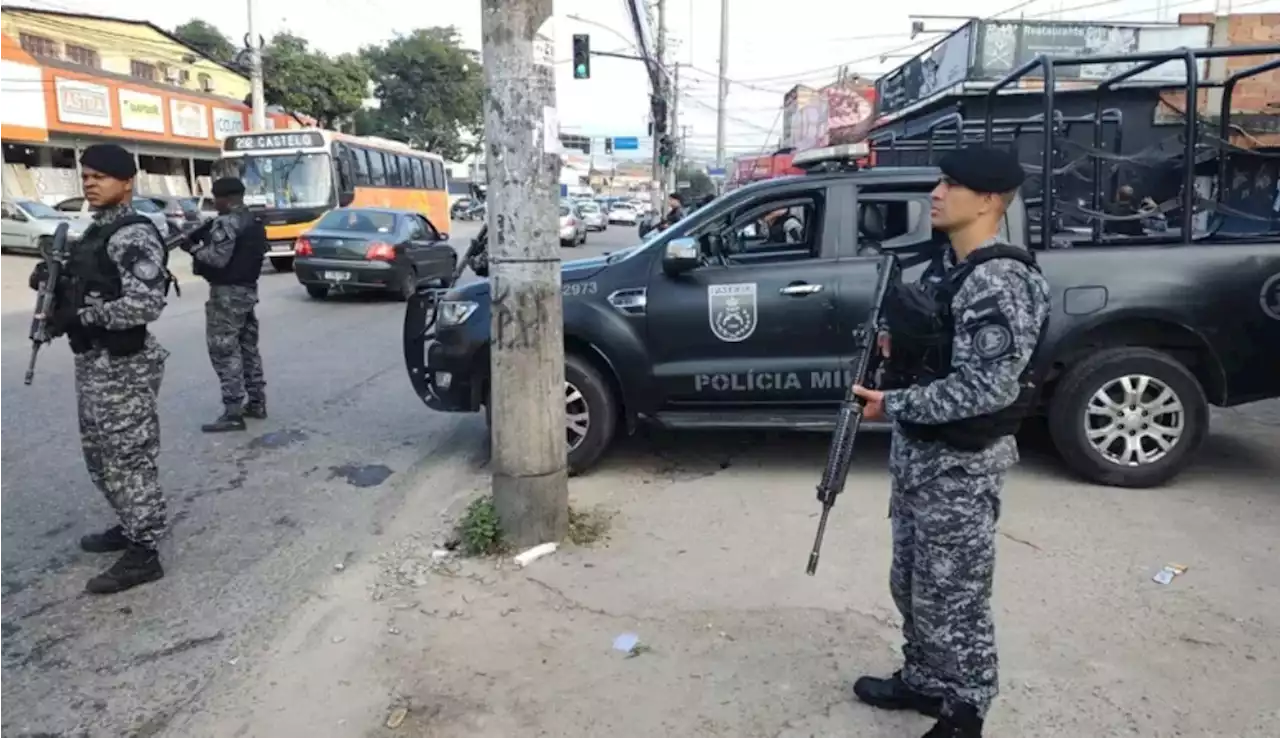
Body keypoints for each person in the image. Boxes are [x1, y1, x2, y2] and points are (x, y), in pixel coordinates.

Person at [849, 147, 1052, 738]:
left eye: (952, 184)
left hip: (960, 468)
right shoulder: (951, 267)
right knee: (913, 582)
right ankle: (924, 679)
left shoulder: (1002, 279)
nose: (936, 193)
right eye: (939, 181)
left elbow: (987, 386)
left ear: (989, 200)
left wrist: (895, 404)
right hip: (921, 461)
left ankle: (966, 707)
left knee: (956, 594)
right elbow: (940, 349)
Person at [28, 143, 172, 594]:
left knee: (129, 457)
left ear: (126, 182)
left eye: (101, 176)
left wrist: (85, 316)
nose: (90, 183)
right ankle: (130, 524)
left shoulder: (132, 234)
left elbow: (145, 304)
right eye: (85, 176)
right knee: (100, 456)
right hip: (94, 361)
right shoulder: (95, 231)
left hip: (124, 365)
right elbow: (87, 282)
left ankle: (145, 551)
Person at [178, 176, 268, 432]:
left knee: (224, 350)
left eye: (216, 198)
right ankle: (257, 401)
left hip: (227, 295)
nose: (215, 204)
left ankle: (233, 411)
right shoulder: (252, 221)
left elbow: (218, 259)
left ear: (226, 199)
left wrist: (192, 248)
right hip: (248, 291)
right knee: (247, 348)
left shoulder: (227, 222)